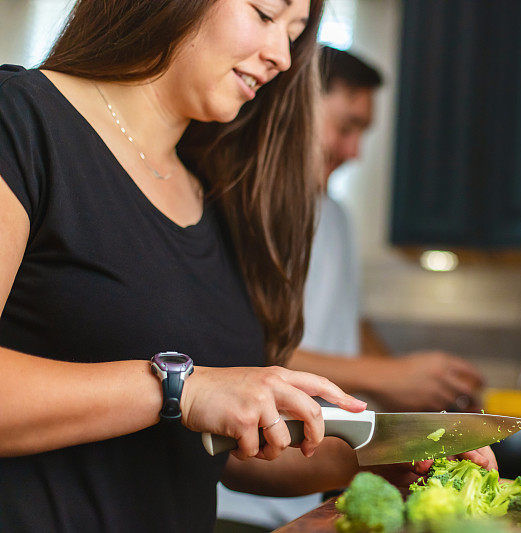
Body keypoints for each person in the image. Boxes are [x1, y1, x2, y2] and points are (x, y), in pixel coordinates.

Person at [0, 2, 495, 532]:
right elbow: (192, 400)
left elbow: (231, 453)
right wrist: (179, 390)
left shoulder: (219, 195)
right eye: (265, 13)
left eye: (295, 33)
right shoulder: (22, 119)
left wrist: (386, 457)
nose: (282, 56)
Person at [216, 46, 486, 530]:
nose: (355, 151)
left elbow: (343, 320)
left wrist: (415, 390)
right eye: (346, 127)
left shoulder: (335, 216)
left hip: (305, 487)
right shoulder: (245, 205)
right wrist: (388, 377)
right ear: (297, 104)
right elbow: (242, 355)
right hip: (238, 498)